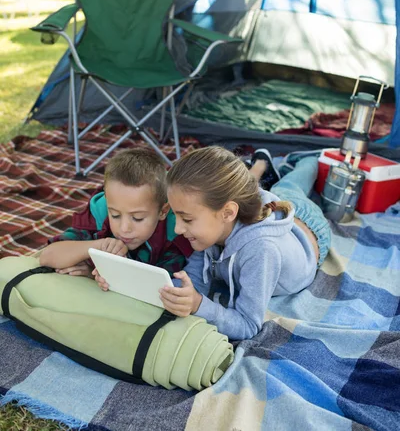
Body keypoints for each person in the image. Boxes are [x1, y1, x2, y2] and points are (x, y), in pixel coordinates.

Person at [159, 146, 331, 341]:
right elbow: (193, 282)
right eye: (176, 216)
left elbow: (248, 325)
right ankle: (260, 167)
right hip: (263, 206)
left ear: (227, 213)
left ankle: (312, 156)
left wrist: (198, 305)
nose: (178, 229)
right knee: (283, 187)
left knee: (293, 183)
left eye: (187, 220)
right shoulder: (207, 228)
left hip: (310, 229)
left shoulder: (261, 251)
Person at [39, 147, 193, 288]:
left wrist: (104, 275)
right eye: (115, 215)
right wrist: (97, 247)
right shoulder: (100, 213)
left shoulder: (175, 232)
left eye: (138, 218)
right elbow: (47, 256)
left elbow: (161, 288)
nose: (124, 228)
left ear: (162, 212)